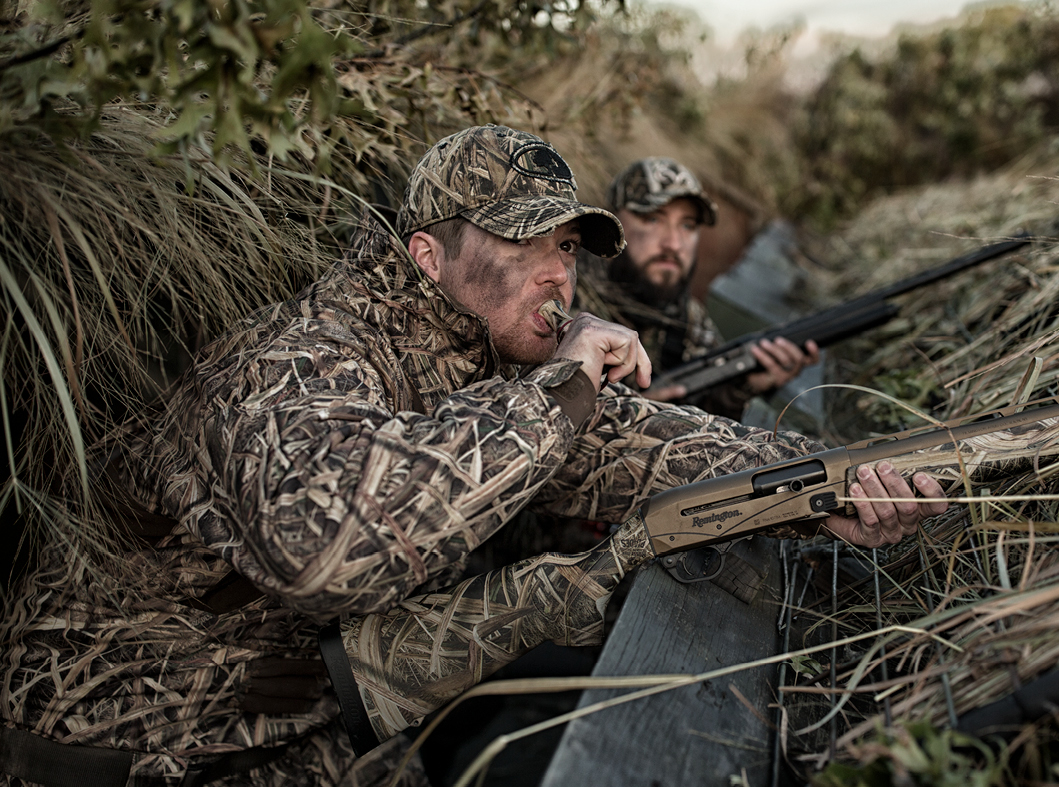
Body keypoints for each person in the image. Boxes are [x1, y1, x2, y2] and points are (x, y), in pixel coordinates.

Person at [0, 126, 947, 786]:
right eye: (523, 240)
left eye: (569, 247)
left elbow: (649, 445)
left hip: (300, 732)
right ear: (427, 257)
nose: (558, 272)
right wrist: (568, 386)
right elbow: (329, 550)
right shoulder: (298, 359)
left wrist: (832, 484)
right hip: (119, 751)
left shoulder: (496, 362)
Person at [575, 157, 821, 420]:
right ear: (611, 224)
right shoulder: (569, 303)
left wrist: (744, 388)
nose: (674, 243)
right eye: (652, 219)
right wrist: (624, 414)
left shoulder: (687, 317)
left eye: (687, 225)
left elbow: (707, 405)